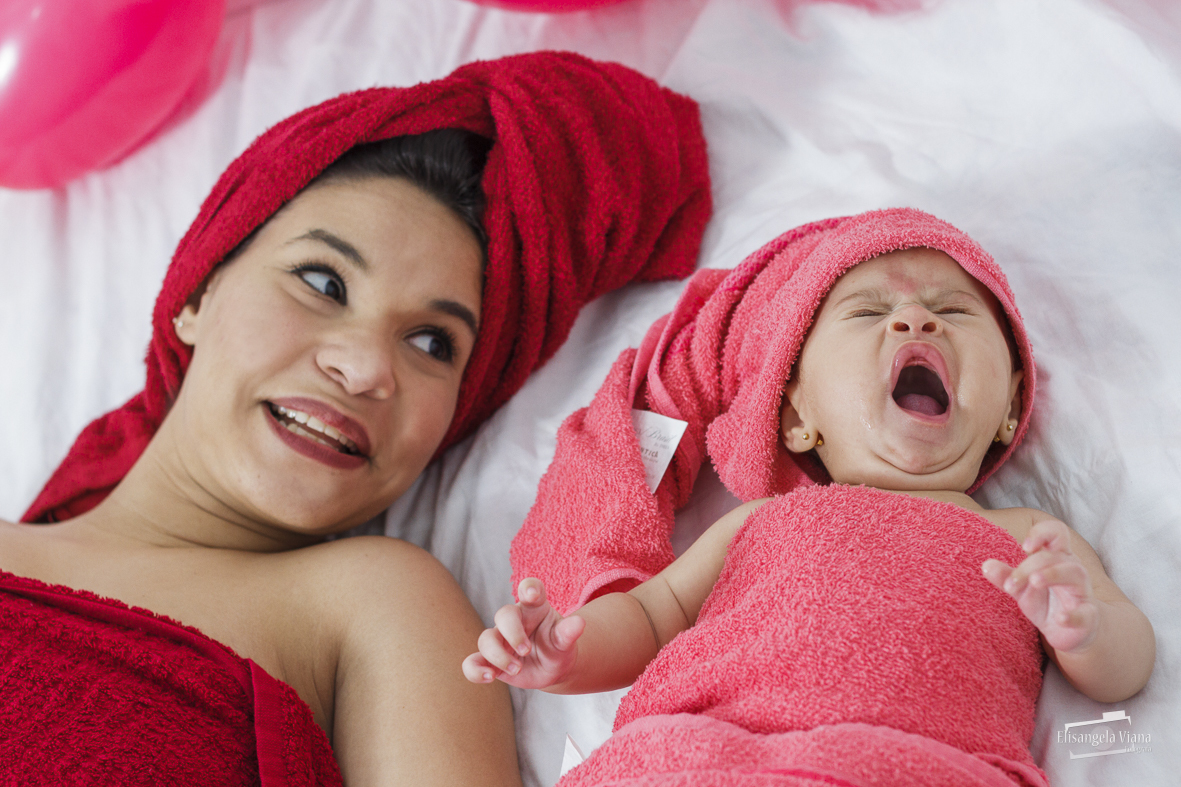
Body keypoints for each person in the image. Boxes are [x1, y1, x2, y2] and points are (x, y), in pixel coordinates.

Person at [0, 52, 711, 786]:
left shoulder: (373, 607)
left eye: (432, 343)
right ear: (195, 294)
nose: (368, 367)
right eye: (322, 282)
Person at [467, 209, 1155, 786]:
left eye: (953, 309)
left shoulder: (1027, 534)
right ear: (796, 415)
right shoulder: (761, 520)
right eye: (867, 311)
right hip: (705, 757)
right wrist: (564, 654)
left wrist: (1083, 628)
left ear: (1009, 409)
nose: (914, 319)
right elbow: (650, 618)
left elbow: (1125, 669)